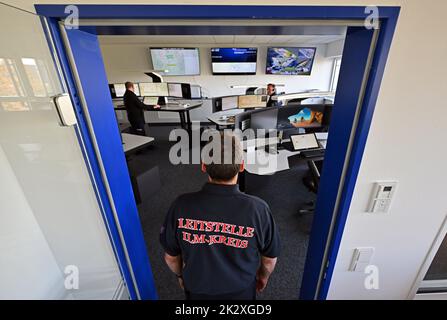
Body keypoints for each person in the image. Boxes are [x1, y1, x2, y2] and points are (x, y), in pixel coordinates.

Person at [160, 132, 280, 300]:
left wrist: (181, 276)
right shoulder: (259, 209)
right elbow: (269, 260)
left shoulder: (180, 205)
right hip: (241, 291)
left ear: (203, 166)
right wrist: (263, 277)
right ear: (241, 166)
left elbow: (171, 258)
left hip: (197, 289)